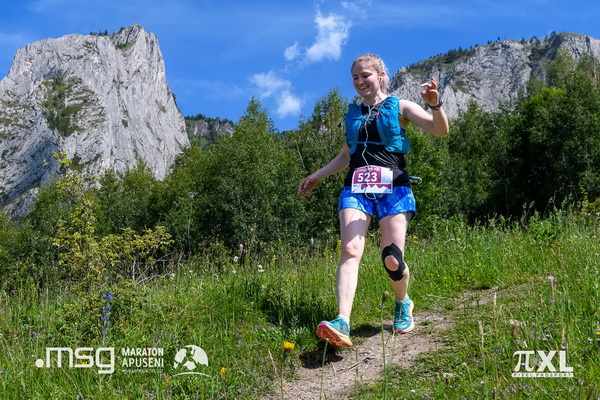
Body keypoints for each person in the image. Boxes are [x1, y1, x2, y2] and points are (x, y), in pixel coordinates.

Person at [298, 53, 449, 347]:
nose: (359, 82)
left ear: (381, 76)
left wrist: (434, 104)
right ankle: (342, 322)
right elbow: (346, 156)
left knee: (392, 258)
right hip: (356, 189)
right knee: (350, 249)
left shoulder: (400, 106)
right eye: (354, 77)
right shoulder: (352, 115)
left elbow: (440, 130)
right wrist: (317, 175)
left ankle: (402, 302)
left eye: (365, 75)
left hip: (394, 189)